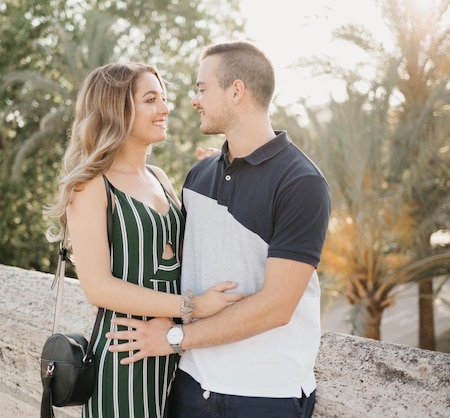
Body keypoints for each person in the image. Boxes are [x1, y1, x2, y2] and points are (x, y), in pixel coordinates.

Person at [107, 41, 331, 418]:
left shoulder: (300, 182)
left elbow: (276, 306)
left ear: (236, 91)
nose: (194, 100)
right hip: (191, 385)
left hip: (265, 396)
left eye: (202, 89)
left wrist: (175, 337)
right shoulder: (199, 175)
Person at [43, 62, 245, 418]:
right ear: (115, 110)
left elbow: (188, 255)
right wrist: (192, 307)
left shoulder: (160, 177)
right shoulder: (90, 185)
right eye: (151, 99)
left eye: (163, 98)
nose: (165, 108)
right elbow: (99, 289)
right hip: (126, 357)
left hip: (173, 354)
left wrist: (219, 175)